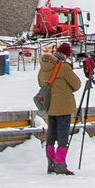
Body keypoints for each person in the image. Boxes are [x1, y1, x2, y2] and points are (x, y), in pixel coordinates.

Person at [38, 44, 81, 175]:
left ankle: (51, 163)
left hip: (50, 106)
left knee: (51, 134)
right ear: (66, 54)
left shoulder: (44, 67)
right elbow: (77, 85)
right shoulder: (64, 67)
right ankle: (60, 164)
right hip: (63, 106)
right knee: (63, 136)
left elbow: (41, 84)